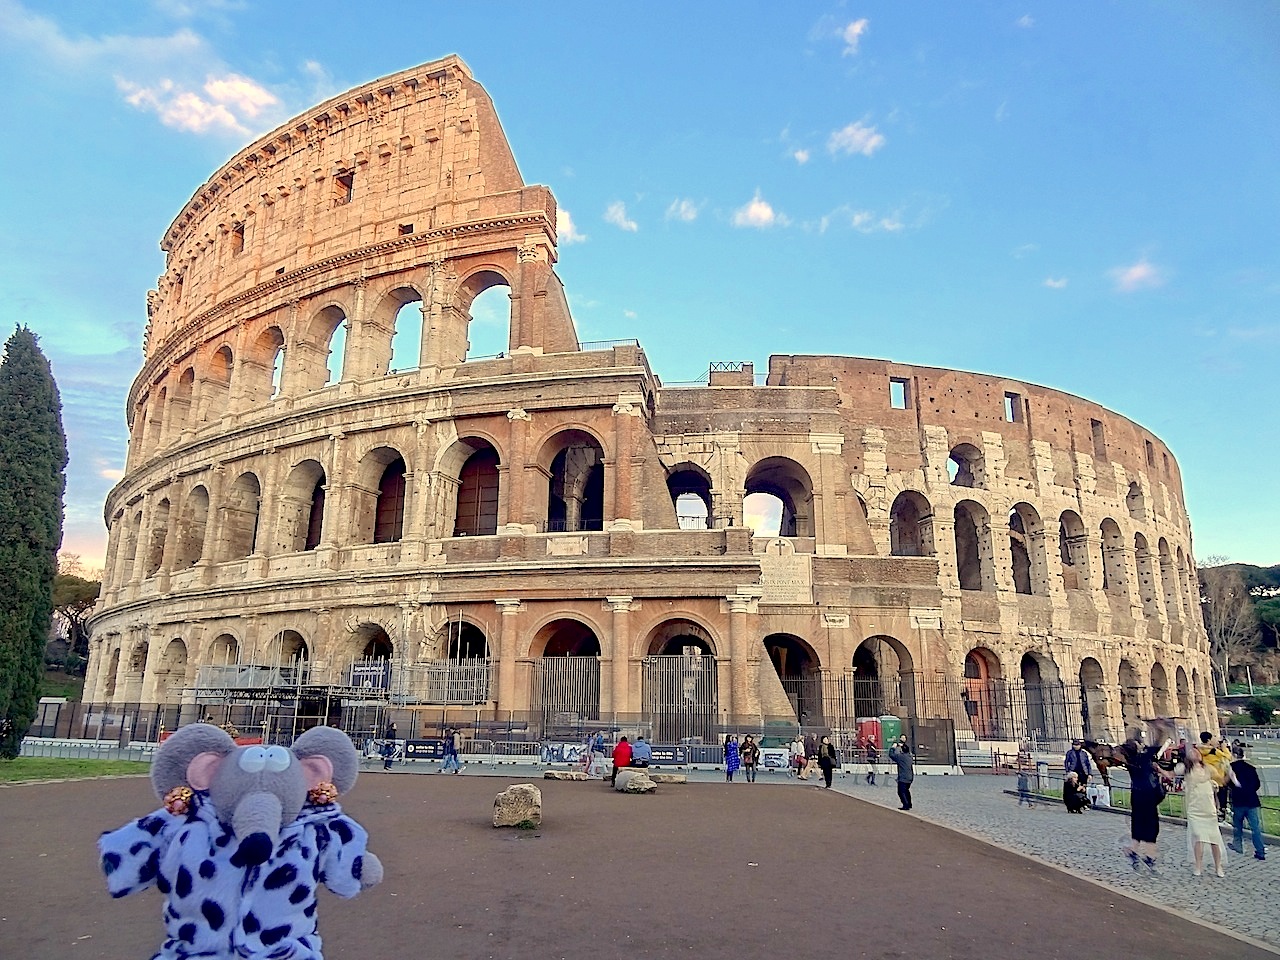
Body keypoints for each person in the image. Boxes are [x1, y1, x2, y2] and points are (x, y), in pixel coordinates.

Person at [1121, 737, 1172, 875]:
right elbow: (1156, 746)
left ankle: (1133, 850)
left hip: (1137, 796)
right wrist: (1160, 731)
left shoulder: (1130, 761)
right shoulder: (1142, 758)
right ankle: (1150, 858)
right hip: (1147, 796)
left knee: (1138, 824)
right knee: (1151, 828)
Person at [1184, 745, 1231, 877]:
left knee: (1214, 839)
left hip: (1208, 809)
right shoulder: (1187, 769)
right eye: (1192, 752)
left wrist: (1229, 774)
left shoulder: (1208, 768)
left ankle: (1218, 867)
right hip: (1195, 809)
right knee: (1198, 837)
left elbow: (1221, 780)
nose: (1196, 753)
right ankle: (1198, 866)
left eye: (1196, 751)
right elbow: (1171, 773)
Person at [1228, 744, 1266, 861]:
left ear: (1234, 755)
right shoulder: (1251, 768)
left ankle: (1238, 845)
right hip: (1252, 800)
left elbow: (1228, 783)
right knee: (1255, 828)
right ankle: (1260, 851)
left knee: (1237, 826)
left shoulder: (1231, 768)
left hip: (1238, 801)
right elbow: (1257, 784)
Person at [1199, 732, 1232, 822]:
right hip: (1219, 779)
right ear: (1209, 740)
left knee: (1212, 800)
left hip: (1208, 778)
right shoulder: (1213, 751)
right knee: (1221, 800)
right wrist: (1224, 748)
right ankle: (1221, 817)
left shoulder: (1200, 750)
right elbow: (1228, 757)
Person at [888, 737, 914, 810]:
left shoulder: (901, 757)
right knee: (906, 790)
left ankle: (905, 805)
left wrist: (893, 747)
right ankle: (909, 804)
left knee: (901, 791)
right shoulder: (909, 756)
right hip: (910, 776)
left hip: (903, 777)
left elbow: (891, 755)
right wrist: (902, 745)